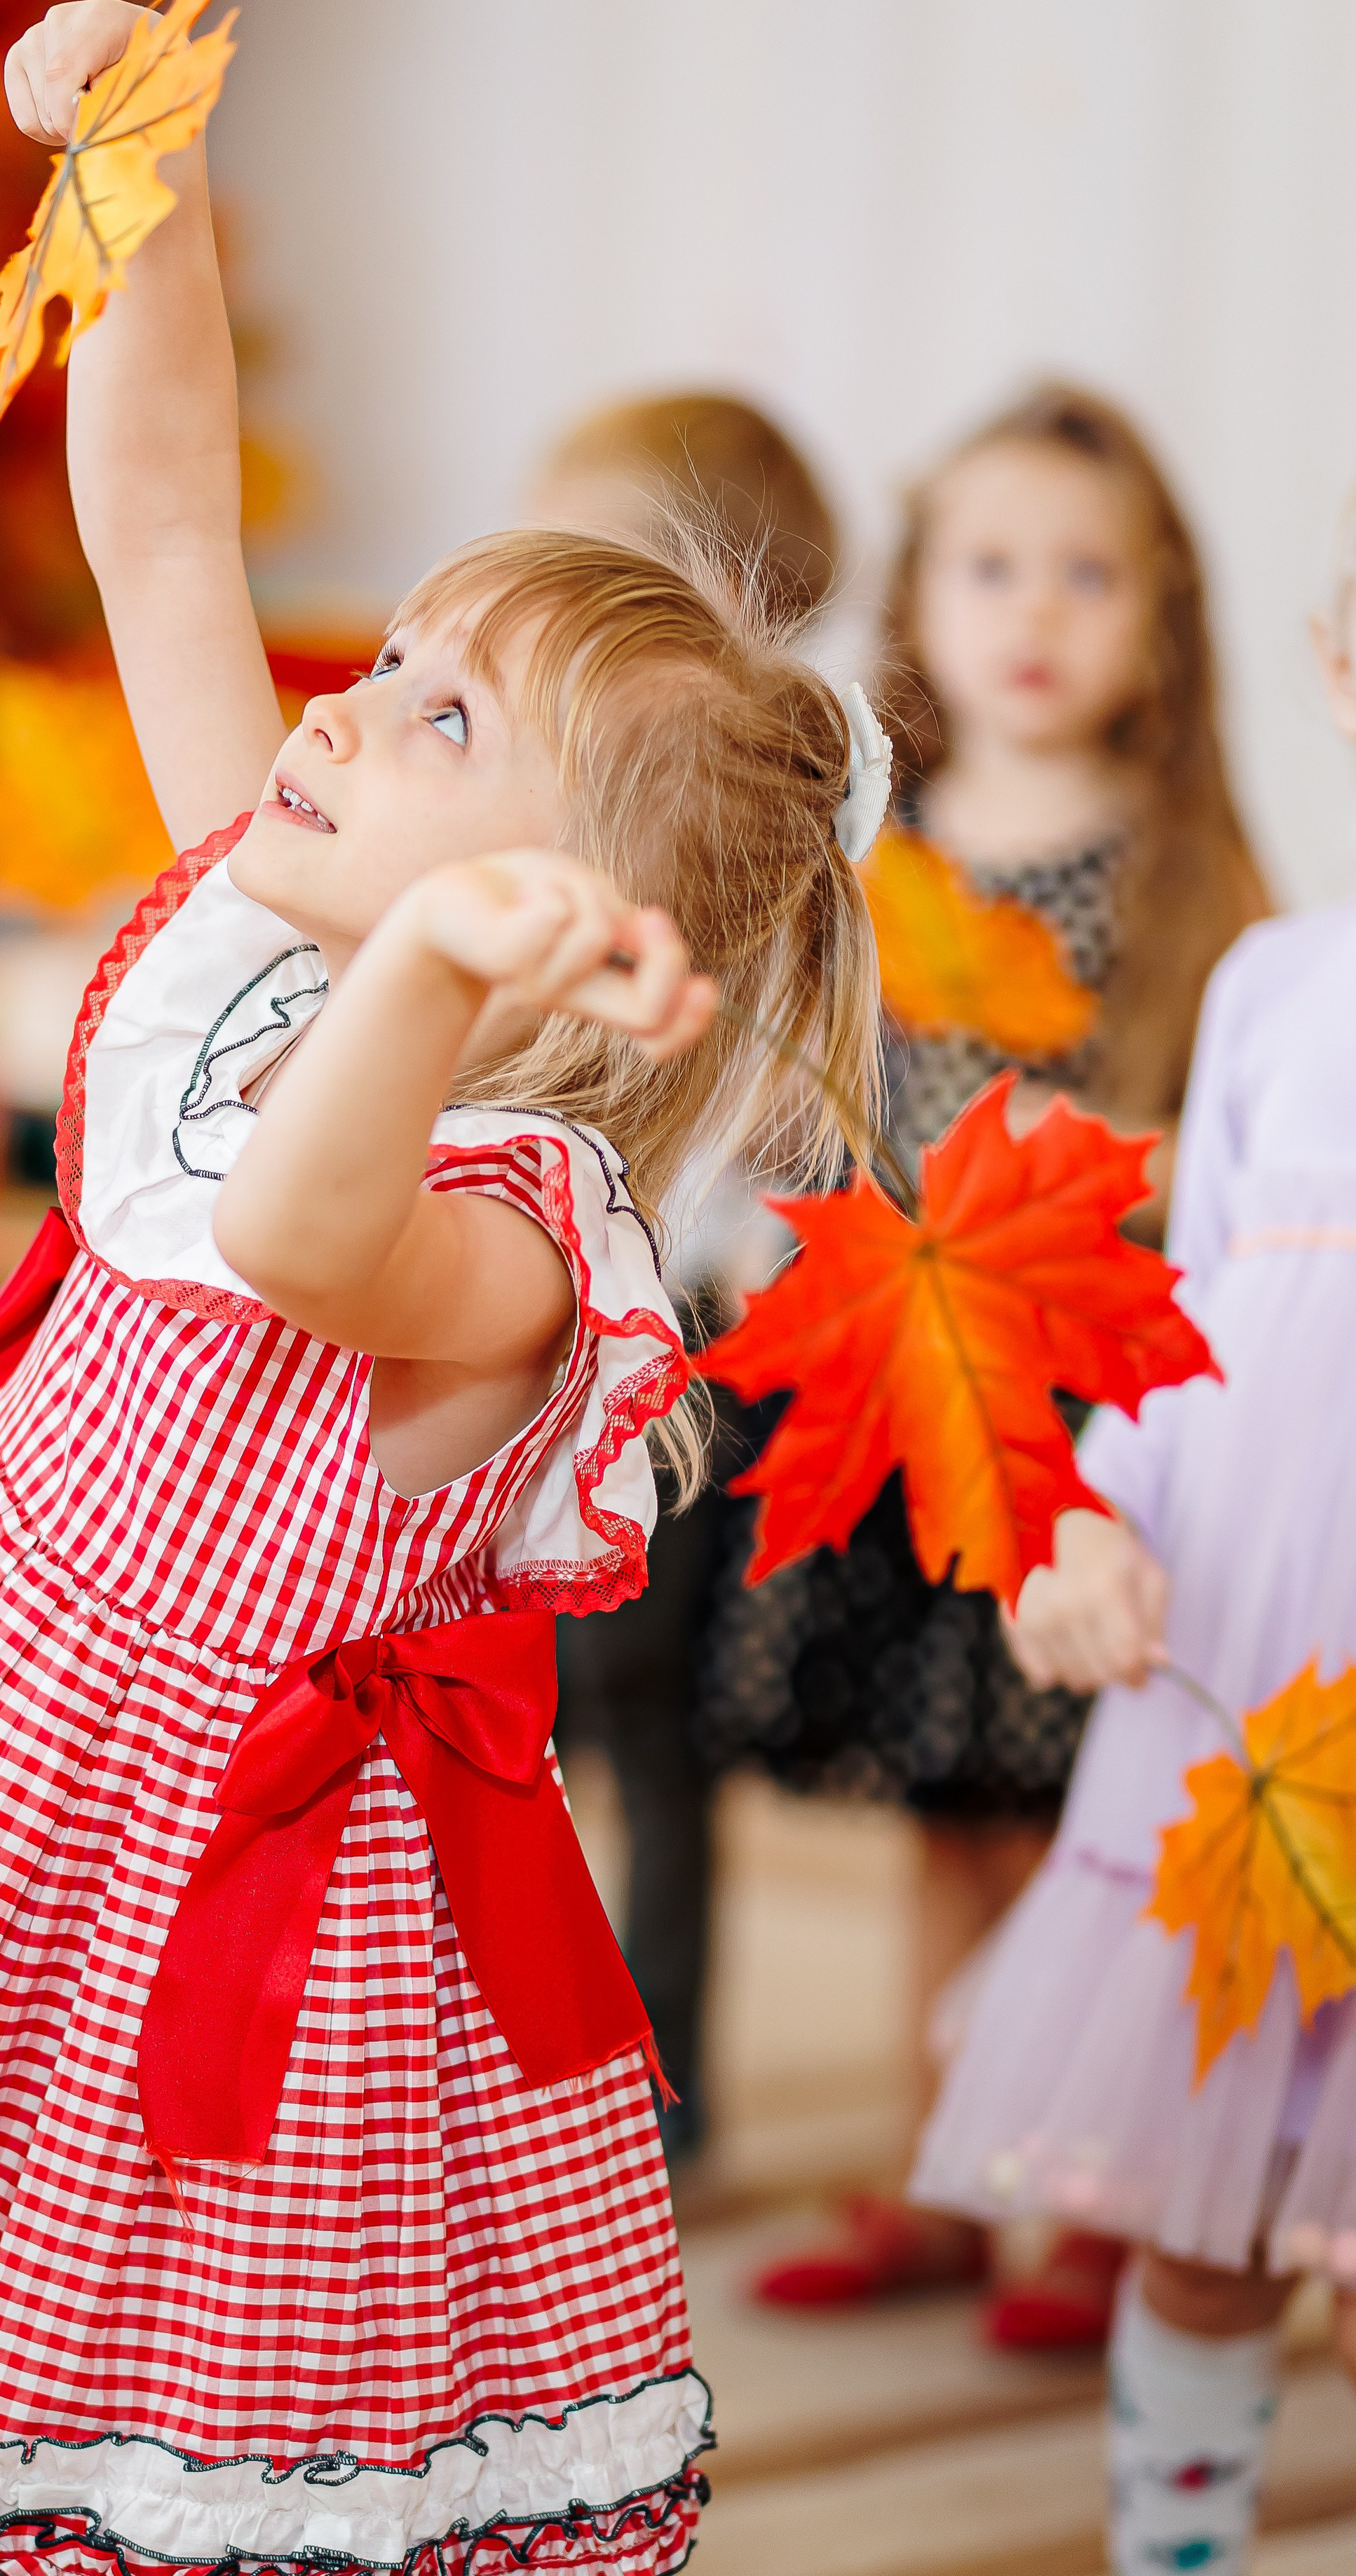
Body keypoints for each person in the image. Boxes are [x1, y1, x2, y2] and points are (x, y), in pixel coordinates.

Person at [0, 0, 888, 2576]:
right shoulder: (261, 930)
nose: (352, 712)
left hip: (223, 1867)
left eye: (441, 721)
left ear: (554, 916)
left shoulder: (516, 1238)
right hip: (4, 1733)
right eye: (389, 662)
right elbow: (161, 521)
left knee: (168, 2350)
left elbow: (299, 1232)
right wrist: (134, 180)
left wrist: (427, 975)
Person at [712, 386, 1266, 2343]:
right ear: (920, 599)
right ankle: (950, 2166)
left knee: (1073, 1808)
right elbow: (807, 1099)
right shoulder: (882, 858)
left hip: (1086, 1419)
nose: (1038, 612)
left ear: (1165, 624)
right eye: (992, 565)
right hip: (906, 1390)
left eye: (1092, 574)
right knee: (949, 1812)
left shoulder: (1184, 878)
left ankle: (1084, 2188)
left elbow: (1248, 1147)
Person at [907, 501, 1356, 2576]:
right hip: (1251, 1633)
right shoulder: (1274, 985)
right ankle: (1179, 2544)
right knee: (1206, 2181)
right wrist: (1078, 1521)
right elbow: (1190, 1331)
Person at [525, 390, 845, 2166]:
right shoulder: (541, 793)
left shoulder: (745, 824)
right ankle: (500, 2064)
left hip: (677, 1324)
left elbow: (782, 1100)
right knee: (517, 1713)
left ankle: (653, 2077)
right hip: (537, 1294)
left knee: (643, 1711)